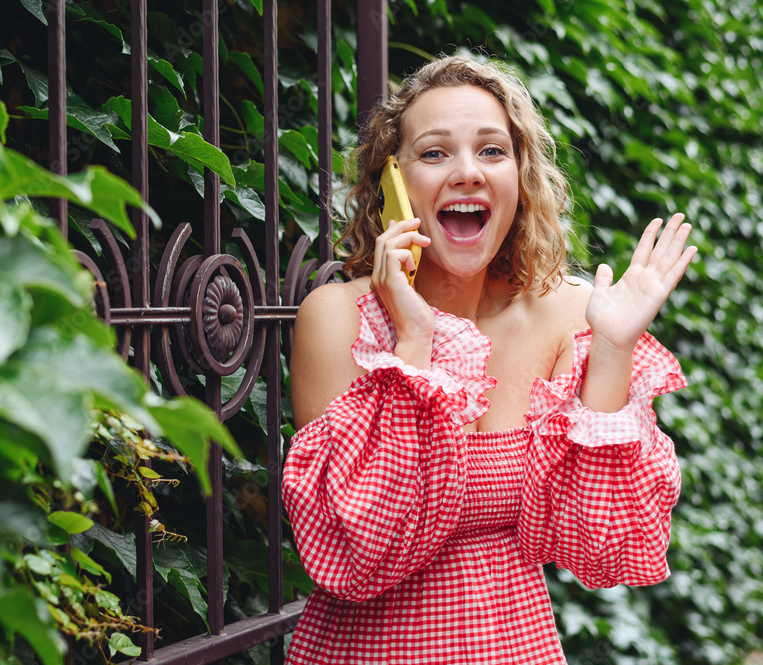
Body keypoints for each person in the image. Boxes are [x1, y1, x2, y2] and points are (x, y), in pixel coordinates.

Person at [282, 55, 697, 664]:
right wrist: (414, 346)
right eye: (434, 153)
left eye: (492, 151)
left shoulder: (568, 314)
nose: (467, 172)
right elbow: (358, 554)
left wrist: (610, 352)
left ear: (522, 178)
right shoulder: (337, 317)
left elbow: (601, 548)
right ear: (391, 185)